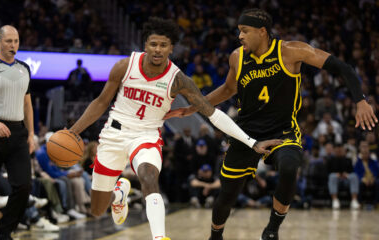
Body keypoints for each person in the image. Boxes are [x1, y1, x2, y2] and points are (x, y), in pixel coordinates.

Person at [165, 8, 378, 240]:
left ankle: (271, 231)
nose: (240, 36)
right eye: (239, 31)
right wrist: (193, 107)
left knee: (289, 167)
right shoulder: (237, 57)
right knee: (227, 194)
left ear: (262, 31)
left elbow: (342, 68)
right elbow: (228, 89)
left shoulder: (292, 51)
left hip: (283, 130)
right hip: (245, 132)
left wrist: (360, 100)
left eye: (245, 31)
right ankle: (216, 236)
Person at [68, 17, 281, 240]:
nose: (158, 49)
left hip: (146, 136)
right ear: (145, 45)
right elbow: (101, 102)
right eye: (153, 44)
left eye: (163, 45)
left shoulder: (179, 80)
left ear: (171, 48)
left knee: (149, 176)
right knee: (97, 210)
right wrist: (73, 131)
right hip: (114, 133)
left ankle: (160, 237)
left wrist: (252, 142)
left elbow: (213, 114)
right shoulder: (125, 65)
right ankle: (119, 193)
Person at [0, 25, 35, 240]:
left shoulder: (25, 69)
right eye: (9, 41)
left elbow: (27, 104)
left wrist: (30, 134)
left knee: (23, 186)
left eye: (16, 41)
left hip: (18, 133)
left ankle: (3, 233)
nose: (13, 45)